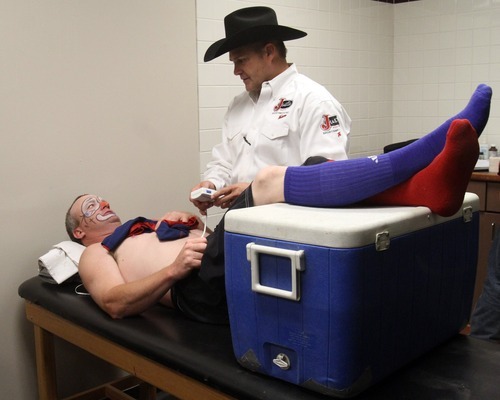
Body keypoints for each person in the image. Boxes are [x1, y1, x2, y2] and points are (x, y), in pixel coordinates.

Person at [69, 84, 491, 324]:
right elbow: (116, 303)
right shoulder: (95, 253)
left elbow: (200, 243)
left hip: (215, 263)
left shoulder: (144, 225)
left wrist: (192, 228)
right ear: (79, 231)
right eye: (89, 207)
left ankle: (425, 189)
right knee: (269, 179)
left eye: (101, 198)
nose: (101, 203)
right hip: (192, 288)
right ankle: (425, 152)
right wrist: (173, 268)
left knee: (312, 164)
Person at [191, 6, 351, 213]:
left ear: (269, 52)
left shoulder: (314, 101)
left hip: (290, 232)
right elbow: (225, 162)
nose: (236, 71)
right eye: (233, 62)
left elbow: (327, 180)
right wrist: (211, 184)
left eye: (241, 60)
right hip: (238, 225)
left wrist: (255, 191)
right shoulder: (238, 106)